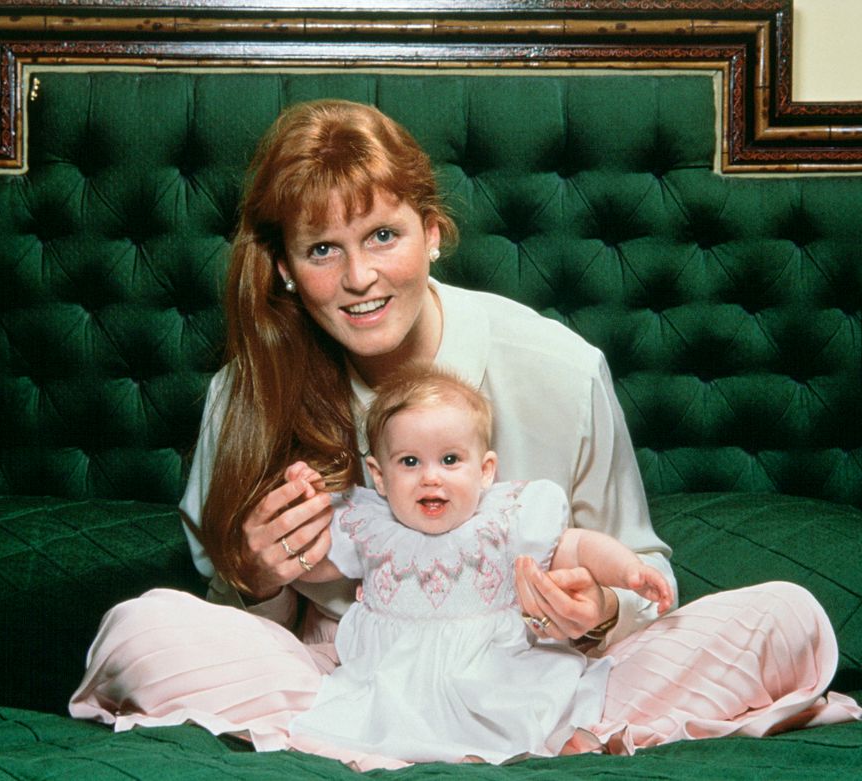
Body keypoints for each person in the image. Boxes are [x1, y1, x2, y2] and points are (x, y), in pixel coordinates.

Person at [69, 99, 860, 769]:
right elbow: (240, 626)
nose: (359, 278)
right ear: (282, 268)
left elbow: (642, 572)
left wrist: (600, 611)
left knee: (786, 617)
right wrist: (260, 579)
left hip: (543, 672)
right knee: (138, 630)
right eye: (321, 250)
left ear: (434, 231)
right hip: (349, 678)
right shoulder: (245, 392)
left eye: (383, 235)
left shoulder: (560, 367)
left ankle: (572, 731)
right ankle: (355, 739)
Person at [287, 364, 673, 764]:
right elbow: (311, 562)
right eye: (409, 462)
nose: (430, 478)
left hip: (491, 667)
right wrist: (303, 499)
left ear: (485, 471)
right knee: (368, 718)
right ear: (379, 477)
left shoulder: (502, 521)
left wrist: (628, 570)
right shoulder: (373, 526)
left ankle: (554, 738)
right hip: (395, 674)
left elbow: (578, 548)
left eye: (450, 459)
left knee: (528, 704)